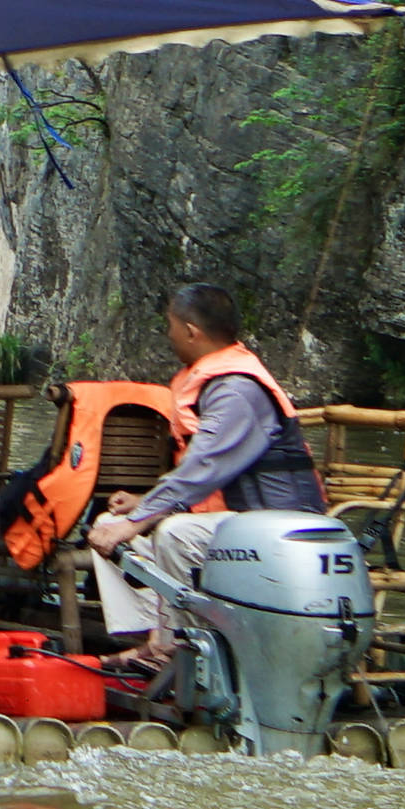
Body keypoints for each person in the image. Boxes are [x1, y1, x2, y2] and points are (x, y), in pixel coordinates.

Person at [82, 279, 325, 669]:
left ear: (191, 331)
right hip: (239, 523)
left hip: (278, 529)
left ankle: (192, 653)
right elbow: (206, 478)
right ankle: (157, 644)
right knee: (113, 520)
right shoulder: (216, 380)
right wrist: (141, 507)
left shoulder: (237, 390)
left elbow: (204, 466)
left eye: (171, 326)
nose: (169, 335)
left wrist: (139, 522)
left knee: (169, 532)